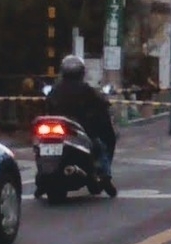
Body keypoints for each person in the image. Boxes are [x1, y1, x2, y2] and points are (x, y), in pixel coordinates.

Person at [42, 55, 118, 197]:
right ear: (81, 72)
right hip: (81, 132)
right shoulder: (86, 90)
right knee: (101, 146)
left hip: (62, 133)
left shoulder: (55, 90)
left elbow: (47, 106)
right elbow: (101, 102)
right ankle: (106, 175)